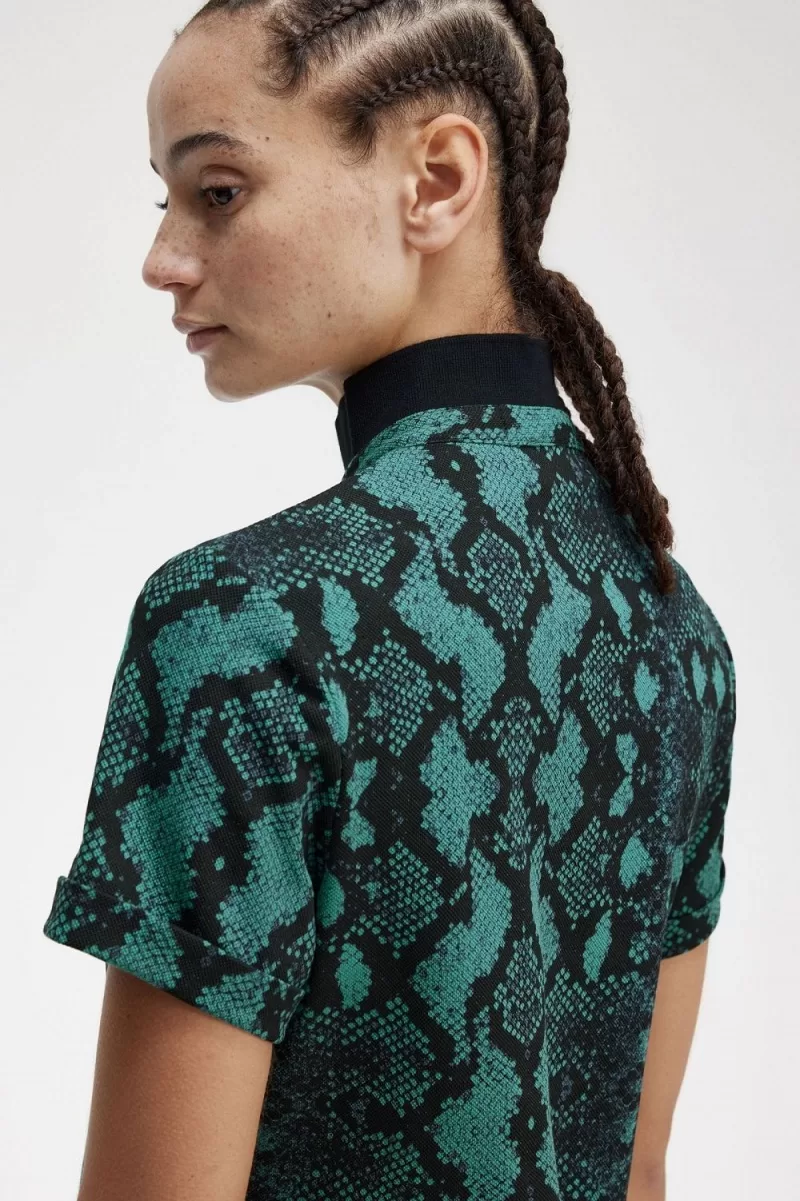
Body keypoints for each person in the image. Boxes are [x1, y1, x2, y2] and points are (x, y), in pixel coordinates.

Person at [42, 3, 736, 1200]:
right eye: (167, 199)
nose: (162, 256)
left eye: (217, 191)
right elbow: (638, 1169)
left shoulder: (239, 624)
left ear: (437, 179)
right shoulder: (678, 628)